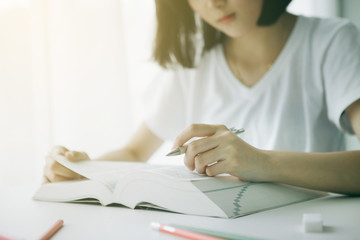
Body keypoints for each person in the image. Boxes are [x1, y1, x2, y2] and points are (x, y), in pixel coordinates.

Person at [43, 0, 360, 195]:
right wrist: (84, 168)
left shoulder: (332, 41)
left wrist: (259, 162)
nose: (214, 2)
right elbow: (134, 150)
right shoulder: (195, 60)